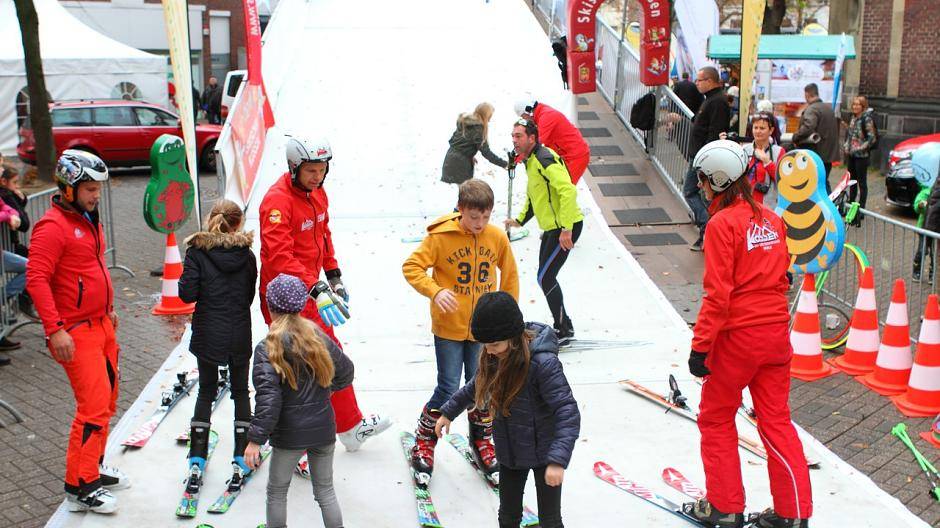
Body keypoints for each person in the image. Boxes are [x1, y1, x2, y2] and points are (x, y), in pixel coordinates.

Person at [686, 140, 812, 528]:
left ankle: (725, 507)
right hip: (775, 337)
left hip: (737, 340)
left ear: (718, 180)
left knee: (717, 418)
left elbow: (718, 295)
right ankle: (793, 514)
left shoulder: (721, 225)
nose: (703, 187)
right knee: (776, 421)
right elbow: (783, 275)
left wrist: (700, 347)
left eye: (705, 181)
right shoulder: (772, 220)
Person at [258, 134, 389, 457]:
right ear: (293, 168)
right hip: (285, 297)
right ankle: (297, 442)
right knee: (300, 366)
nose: (317, 177)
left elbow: (323, 235)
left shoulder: (317, 194)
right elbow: (279, 256)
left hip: (312, 291)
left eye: (321, 170)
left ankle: (348, 426)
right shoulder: (277, 202)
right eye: (310, 171)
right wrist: (314, 287)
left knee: (328, 357)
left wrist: (333, 274)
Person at [26, 150, 127, 513]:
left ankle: (94, 468)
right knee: (93, 408)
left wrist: (107, 309)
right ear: (68, 189)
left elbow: (91, 268)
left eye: (97, 189)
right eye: (88, 189)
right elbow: (36, 278)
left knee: (109, 400)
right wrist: (55, 330)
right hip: (75, 331)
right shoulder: (53, 227)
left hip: (100, 325)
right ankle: (80, 486)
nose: (95, 195)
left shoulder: (89, 220)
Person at [402, 178, 519, 480]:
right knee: (448, 387)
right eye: (473, 216)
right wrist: (435, 290)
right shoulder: (441, 237)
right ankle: (425, 440)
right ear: (461, 210)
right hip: (449, 327)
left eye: (486, 217)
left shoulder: (496, 237)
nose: (480, 223)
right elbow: (412, 267)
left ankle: (481, 439)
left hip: (485, 330)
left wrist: (509, 321)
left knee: (484, 386)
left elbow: (510, 275)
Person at [434, 291, 580, 528]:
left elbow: (567, 411)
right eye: (485, 345)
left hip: (545, 453)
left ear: (513, 337)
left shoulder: (543, 364)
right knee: (508, 517)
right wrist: (448, 412)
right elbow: (476, 385)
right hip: (511, 452)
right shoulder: (495, 356)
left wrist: (558, 460)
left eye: (494, 345)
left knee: (550, 521)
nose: (489, 350)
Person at [246, 273, 353, 528]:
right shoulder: (316, 335)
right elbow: (346, 372)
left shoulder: (268, 347)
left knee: (277, 491)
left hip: (289, 435)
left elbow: (269, 401)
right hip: (324, 429)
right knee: (325, 491)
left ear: (271, 308)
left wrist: (255, 440)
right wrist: (325, 393)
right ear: (302, 305)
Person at [177, 199, 257, 500]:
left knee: (206, 391)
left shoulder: (197, 252)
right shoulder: (246, 255)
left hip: (208, 330)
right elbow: (248, 294)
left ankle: (196, 457)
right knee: (240, 391)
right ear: (238, 223)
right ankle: (241, 455)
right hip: (238, 330)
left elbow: (187, 293)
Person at [504, 119, 582, 345]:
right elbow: (534, 195)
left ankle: (563, 330)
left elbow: (567, 191)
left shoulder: (544, 159)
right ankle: (565, 324)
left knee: (546, 277)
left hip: (566, 226)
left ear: (532, 138)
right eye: (513, 136)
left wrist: (567, 229)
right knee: (545, 277)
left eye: (518, 136)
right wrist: (519, 220)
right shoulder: (530, 162)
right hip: (551, 228)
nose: (514, 140)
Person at [683, 66, 730, 251]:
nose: (697, 84)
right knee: (701, 194)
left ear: (709, 81)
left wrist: (705, 159)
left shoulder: (717, 102)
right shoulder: (710, 100)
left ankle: (707, 228)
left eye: (699, 80)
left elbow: (715, 132)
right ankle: (708, 229)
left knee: (691, 191)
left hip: (704, 158)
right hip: (700, 156)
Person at [514, 98, 590, 185]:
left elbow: (536, 142)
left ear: (528, 111)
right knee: (553, 187)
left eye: (523, 116)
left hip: (575, 156)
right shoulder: (540, 114)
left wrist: (518, 156)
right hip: (564, 155)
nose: (525, 120)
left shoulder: (546, 116)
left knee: (563, 188)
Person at [441, 102, 507, 186]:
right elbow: (486, 153)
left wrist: (469, 154)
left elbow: (455, 141)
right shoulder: (478, 129)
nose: (490, 120)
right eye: (489, 116)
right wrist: (504, 164)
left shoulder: (466, 123)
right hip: (460, 163)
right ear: (485, 115)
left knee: (464, 192)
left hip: (451, 158)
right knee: (466, 193)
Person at [792, 83, 840, 194]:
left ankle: (822, 207)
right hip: (828, 154)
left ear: (808, 95)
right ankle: (831, 205)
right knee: (823, 181)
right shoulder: (828, 109)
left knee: (813, 183)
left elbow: (808, 127)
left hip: (816, 154)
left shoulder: (812, 109)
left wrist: (795, 137)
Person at [740, 112, 785, 206]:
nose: (758, 131)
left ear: (771, 130)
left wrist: (767, 161)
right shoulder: (744, 149)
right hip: (744, 202)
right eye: (755, 127)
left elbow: (782, 179)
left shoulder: (779, 151)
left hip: (768, 205)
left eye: (762, 128)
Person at [842, 95, 878, 208]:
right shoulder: (853, 118)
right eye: (854, 104)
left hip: (862, 156)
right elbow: (850, 135)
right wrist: (846, 146)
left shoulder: (866, 119)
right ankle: (851, 205)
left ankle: (861, 208)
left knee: (862, 183)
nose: (855, 106)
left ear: (863, 106)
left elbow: (872, 138)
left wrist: (859, 148)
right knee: (852, 181)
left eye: (858, 104)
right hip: (851, 156)